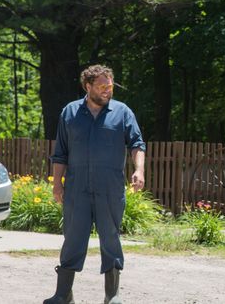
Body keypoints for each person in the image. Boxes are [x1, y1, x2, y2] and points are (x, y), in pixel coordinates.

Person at [44, 65, 146, 304]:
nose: (107, 91)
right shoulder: (69, 112)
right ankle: (63, 294)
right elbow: (61, 153)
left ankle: (112, 296)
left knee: (110, 238)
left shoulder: (122, 112)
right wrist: (57, 184)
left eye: (109, 87)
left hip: (109, 188)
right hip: (77, 189)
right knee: (72, 239)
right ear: (87, 86)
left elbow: (137, 143)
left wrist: (139, 169)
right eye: (102, 87)